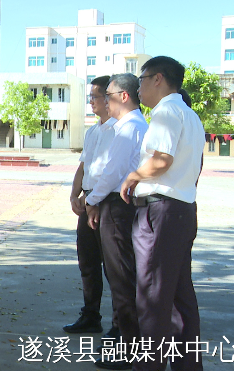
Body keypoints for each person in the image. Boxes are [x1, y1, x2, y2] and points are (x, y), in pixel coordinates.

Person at [121, 57, 205, 371]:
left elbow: (161, 161)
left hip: (160, 211)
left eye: (141, 79)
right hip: (181, 211)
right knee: (180, 299)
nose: (138, 88)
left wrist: (132, 177)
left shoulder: (166, 111)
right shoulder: (190, 115)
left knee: (153, 298)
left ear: (157, 78)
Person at [85, 73, 148, 370]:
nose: (104, 102)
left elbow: (113, 172)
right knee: (122, 276)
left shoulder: (129, 128)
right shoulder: (130, 126)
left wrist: (92, 200)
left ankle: (129, 348)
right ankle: (127, 340)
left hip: (118, 205)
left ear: (123, 96)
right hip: (119, 203)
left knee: (122, 278)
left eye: (107, 96)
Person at [63, 76, 117, 335]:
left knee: (115, 267)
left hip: (108, 203)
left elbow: (114, 171)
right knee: (88, 262)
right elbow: (83, 166)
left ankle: (121, 323)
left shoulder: (120, 130)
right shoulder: (93, 131)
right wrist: (74, 195)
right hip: (88, 202)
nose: (91, 101)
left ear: (108, 98)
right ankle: (90, 315)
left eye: (94, 96)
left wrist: (92, 198)